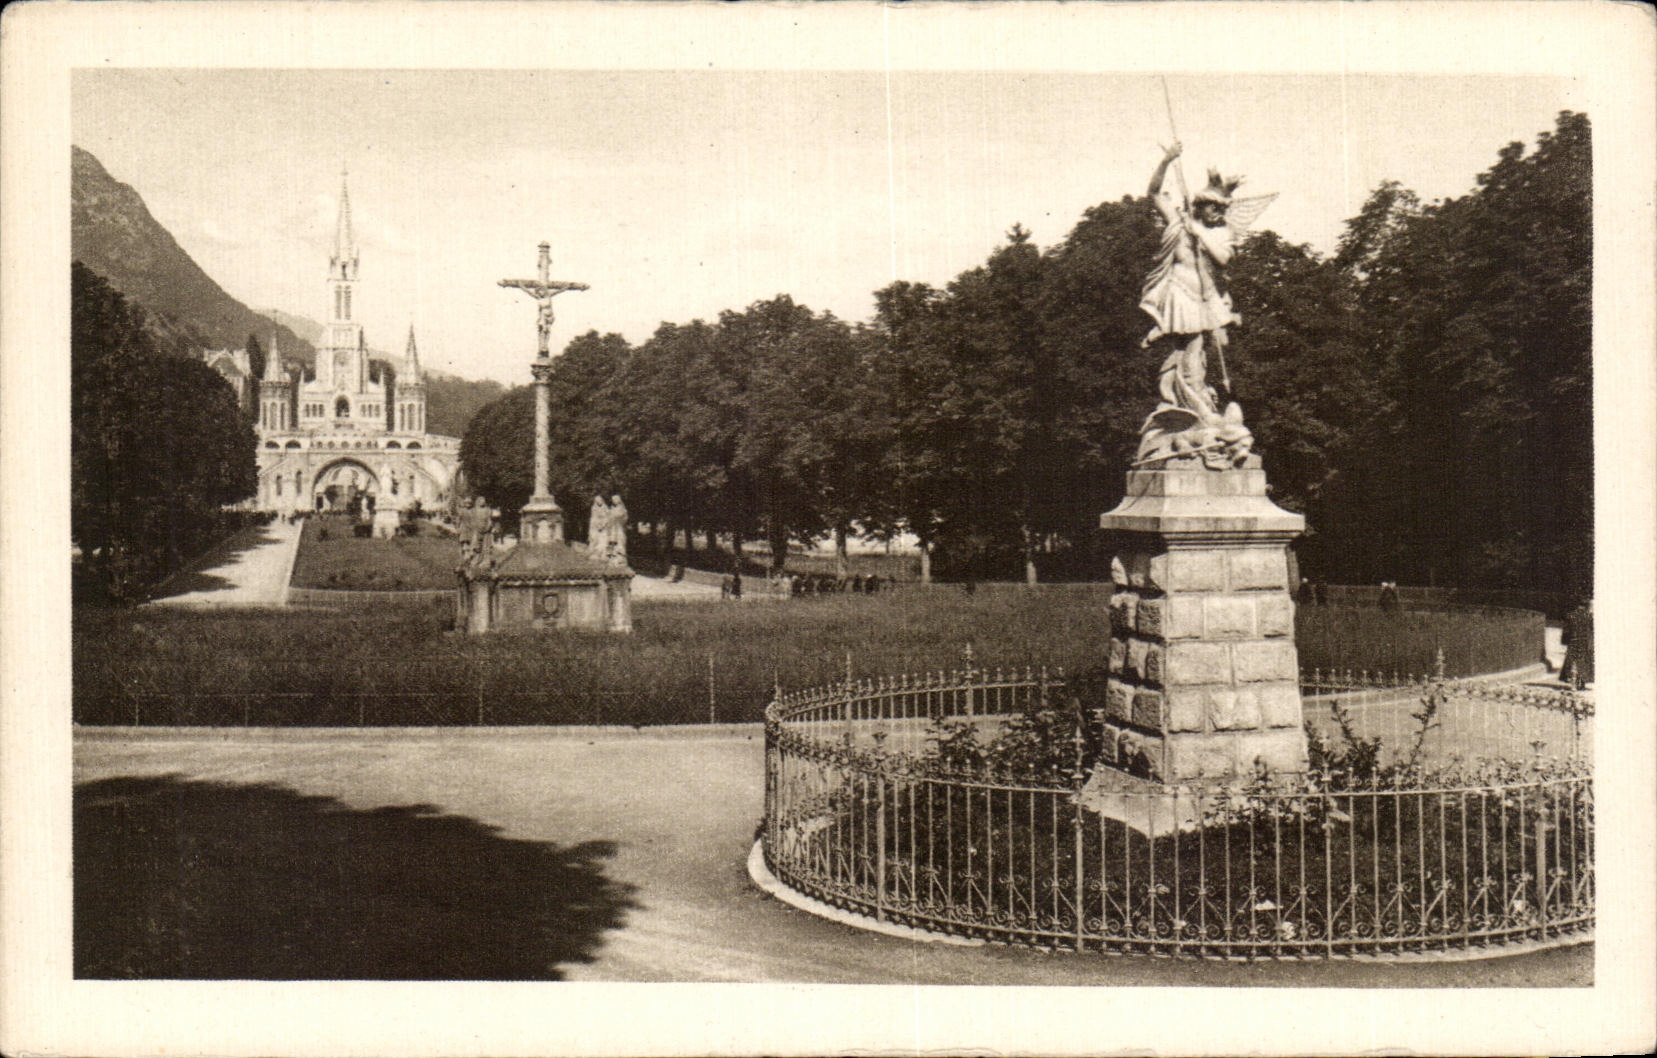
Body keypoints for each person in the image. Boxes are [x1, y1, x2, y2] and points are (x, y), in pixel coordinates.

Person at [1136, 142, 1274, 468]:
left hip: (1206, 298)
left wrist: (1199, 232)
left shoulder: (1219, 232)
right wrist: (1167, 161)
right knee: (1191, 349)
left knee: (1198, 352)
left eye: (1222, 210)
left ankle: (1196, 403)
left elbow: (1224, 258)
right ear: (1200, 204)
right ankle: (1193, 405)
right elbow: (1154, 193)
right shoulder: (1179, 222)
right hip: (1180, 295)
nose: (1219, 214)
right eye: (1214, 208)